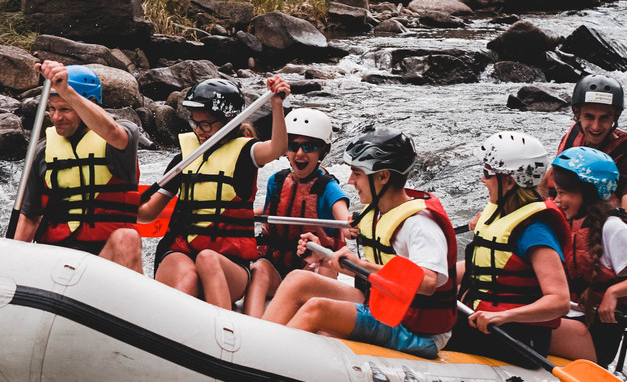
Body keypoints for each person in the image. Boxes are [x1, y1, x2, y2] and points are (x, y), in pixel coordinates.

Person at [263, 126, 458, 359]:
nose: (350, 180)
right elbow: (376, 271)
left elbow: (428, 282)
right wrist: (325, 254)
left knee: (318, 308)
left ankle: (267, 360)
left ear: (383, 176)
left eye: (357, 173)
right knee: (298, 280)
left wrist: (362, 266)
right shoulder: (376, 212)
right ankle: (259, 345)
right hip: (384, 305)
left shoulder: (420, 224)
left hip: (415, 330)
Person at [138, 75, 291, 309]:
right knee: (188, 280)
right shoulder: (186, 158)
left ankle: (223, 332)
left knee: (207, 259)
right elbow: (148, 213)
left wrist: (277, 104)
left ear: (229, 121)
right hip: (181, 250)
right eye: (195, 123)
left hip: (230, 262)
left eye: (206, 124)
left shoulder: (246, 154)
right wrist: (122, 204)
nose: (199, 131)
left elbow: (277, 148)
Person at [447, 131, 570, 363]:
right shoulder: (500, 212)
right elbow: (478, 267)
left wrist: (505, 316)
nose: (482, 180)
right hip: (484, 322)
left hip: (517, 336)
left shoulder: (535, 231)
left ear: (509, 181)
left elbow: (559, 300)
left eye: (487, 173)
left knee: (423, 327)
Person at [14, 61, 143, 272]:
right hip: (57, 258)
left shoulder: (122, 137)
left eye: (65, 109)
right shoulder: (42, 152)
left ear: (89, 104)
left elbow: (112, 132)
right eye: (52, 109)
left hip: (106, 259)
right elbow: (29, 218)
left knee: (127, 238)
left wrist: (67, 90)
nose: (56, 117)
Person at [548, 147, 627, 366]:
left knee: (517, 327)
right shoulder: (568, 222)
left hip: (595, 335)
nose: (557, 200)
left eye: (564, 193)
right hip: (570, 319)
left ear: (589, 192)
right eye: (556, 192)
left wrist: (613, 292)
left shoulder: (612, 228)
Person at [244, 108, 349, 318]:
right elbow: (268, 211)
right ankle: (251, 325)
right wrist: (239, 213)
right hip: (277, 268)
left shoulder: (327, 188)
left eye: (308, 147)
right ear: (285, 150)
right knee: (259, 268)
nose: (300, 153)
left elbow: (344, 217)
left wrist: (351, 225)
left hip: (310, 271)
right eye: (293, 146)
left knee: (327, 265)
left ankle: (322, 326)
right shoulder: (277, 180)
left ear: (322, 151)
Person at [541, 74, 627, 230]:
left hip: (599, 239)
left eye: (604, 118)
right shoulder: (573, 137)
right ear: (577, 113)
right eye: (589, 117)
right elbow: (545, 186)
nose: (595, 127)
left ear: (616, 116)